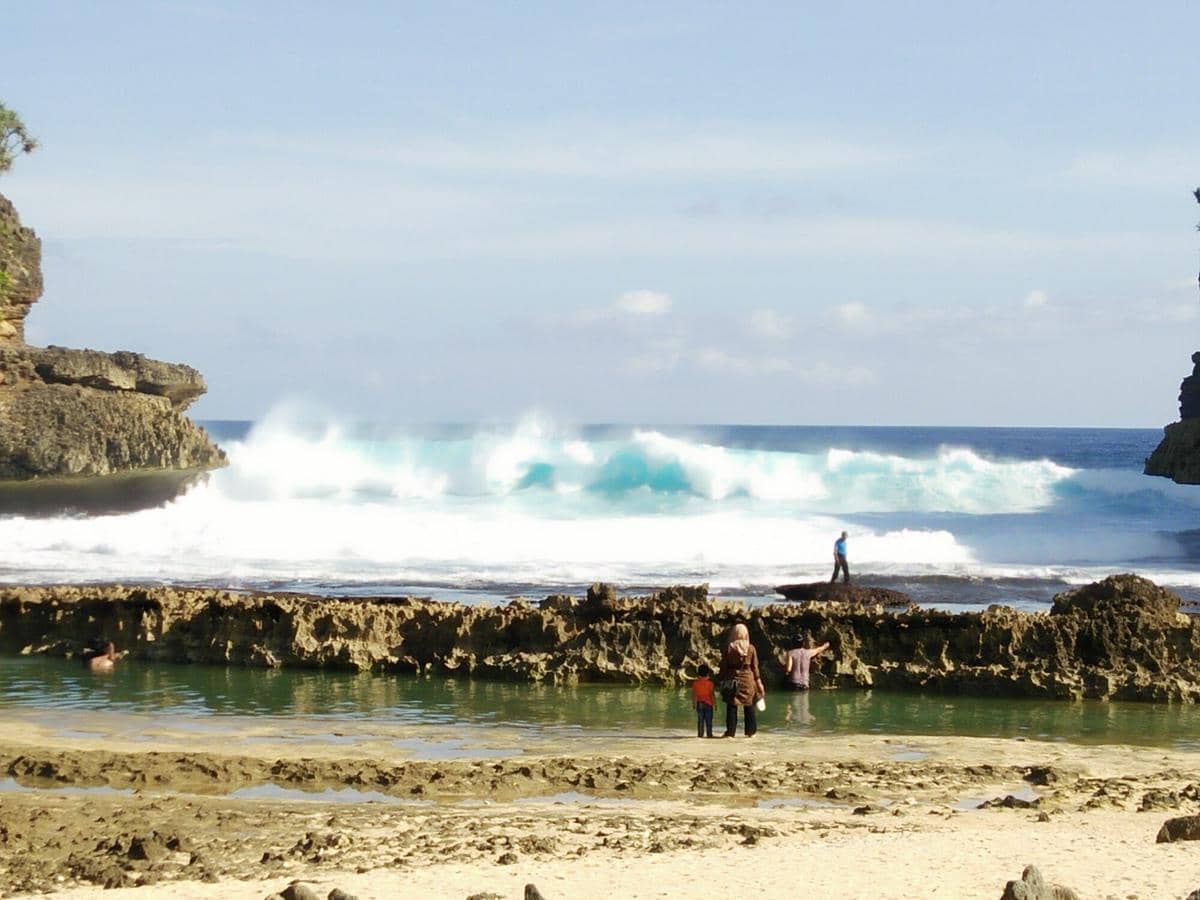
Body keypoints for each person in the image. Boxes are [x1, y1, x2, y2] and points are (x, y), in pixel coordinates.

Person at [718, 623, 764, 738]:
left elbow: (723, 666)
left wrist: (721, 679)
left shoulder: (729, 647)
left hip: (732, 678)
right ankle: (751, 732)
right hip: (748, 679)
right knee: (749, 705)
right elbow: (755, 667)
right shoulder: (751, 648)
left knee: (732, 705)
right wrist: (759, 683)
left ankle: (730, 732)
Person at [691, 664, 716, 738]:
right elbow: (712, 694)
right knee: (709, 721)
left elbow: (694, 695)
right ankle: (709, 734)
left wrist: (694, 704)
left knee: (700, 720)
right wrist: (715, 703)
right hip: (708, 704)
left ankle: (700, 735)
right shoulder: (710, 683)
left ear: (698, 673)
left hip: (699, 704)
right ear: (708, 674)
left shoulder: (695, 683)